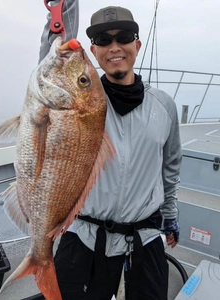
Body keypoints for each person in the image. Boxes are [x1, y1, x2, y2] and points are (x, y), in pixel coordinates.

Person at [39, 3, 182, 300]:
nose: (114, 47)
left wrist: (169, 217)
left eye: (124, 37)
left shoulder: (164, 106)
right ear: (93, 51)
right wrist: (60, 13)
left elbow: (170, 167)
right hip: (85, 239)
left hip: (144, 239)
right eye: (103, 40)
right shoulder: (80, 102)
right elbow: (50, 68)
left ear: (137, 44)